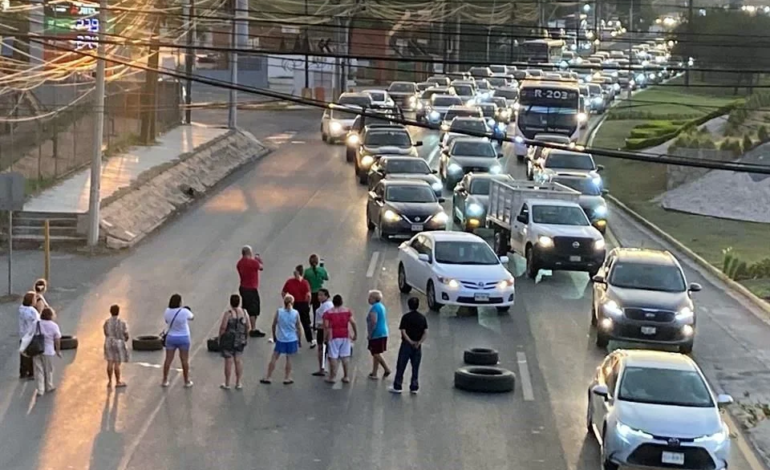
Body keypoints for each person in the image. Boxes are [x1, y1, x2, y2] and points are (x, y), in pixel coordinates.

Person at [390, 297, 428, 395]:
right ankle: (414, 386)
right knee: (415, 367)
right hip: (417, 346)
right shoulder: (422, 318)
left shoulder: (406, 317)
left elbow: (403, 331)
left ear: (409, 305)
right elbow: (425, 332)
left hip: (407, 345)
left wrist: (410, 341)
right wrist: (419, 342)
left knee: (401, 365)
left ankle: (398, 385)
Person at [261, 294, 301, 385]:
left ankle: (268, 376)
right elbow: (298, 327)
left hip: (281, 338)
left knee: (274, 357)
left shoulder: (279, 312)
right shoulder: (295, 313)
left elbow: (274, 324)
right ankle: (287, 377)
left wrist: (274, 336)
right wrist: (299, 339)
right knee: (289, 358)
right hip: (291, 339)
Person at [218, 294, 251, 390]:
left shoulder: (228, 314)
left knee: (228, 361)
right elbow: (248, 326)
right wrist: (245, 336)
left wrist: (220, 338)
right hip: (240, 339)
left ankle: (227, 383)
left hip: (229, 340)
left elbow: (223, 327)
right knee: (238, 360)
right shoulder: (244, 312)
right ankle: (238, 382)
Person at [162, 294, 195, 388]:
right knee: (184, 360)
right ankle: (186, 381)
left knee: (168, 359)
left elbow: (167, 321)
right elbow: (192, 317)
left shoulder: (167, 311)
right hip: (184, 337)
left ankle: (165, 380)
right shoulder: (184, 311)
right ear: (179, 302)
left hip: (171, 337)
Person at [323, 294, 357, 384]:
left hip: (333, 335)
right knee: (345, 356)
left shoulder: (328, 313)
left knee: (333, 356)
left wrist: (325, 338)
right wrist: (355, 334)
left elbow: (326, 326)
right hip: (345, 335)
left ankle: (332, 377)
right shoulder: (347, 311)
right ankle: (346, 376)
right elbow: (353, 322)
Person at [281, 265, 314, 347]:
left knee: (294, 323)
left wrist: (286, 301)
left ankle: (295, 340)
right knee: (305, 323)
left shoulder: (290, 282)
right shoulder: (304, 282)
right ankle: (310, 340)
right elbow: (309, 295)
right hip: (301, 304)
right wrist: (308, 304)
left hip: (295, 304)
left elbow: (283, 292)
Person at [237, 245, 266, 337]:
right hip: (251, 288)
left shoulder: (239, 263)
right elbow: (261, 267)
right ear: (249, 253)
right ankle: (253, 329)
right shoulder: (253, 262)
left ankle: (244, 326)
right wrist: (258, 259)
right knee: (254, 309)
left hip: (243, 287)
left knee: (245, 307)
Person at [33, 307, 62, 397]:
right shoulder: (53, 326)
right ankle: (49, 386)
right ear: (51, 316)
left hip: (36, 350)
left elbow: (31, 335)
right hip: (48, 350)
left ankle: (40, 389)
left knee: (39, 370)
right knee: (48, 369)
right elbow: (57, 339)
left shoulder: (36, 324)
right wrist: (58, 350)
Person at [103, 304, 130, 388]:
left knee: (110, 362)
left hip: (109, 341)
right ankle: (118, 381)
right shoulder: (122, 322)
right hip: (118, 342)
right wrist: (125, 339)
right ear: (118, 312)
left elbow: (105, 332)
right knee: (117, 363)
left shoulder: (107, 322)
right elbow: (126, 334)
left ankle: (110, 381)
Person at [366, 290, 391, 379]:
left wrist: (370, 334)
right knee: (376, 352)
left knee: (375, 352)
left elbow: (374, 321)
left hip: (377, 333)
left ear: (374, 299)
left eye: (370, 298)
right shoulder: (381, 306)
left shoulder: (374, 308)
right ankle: (374, 372)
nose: (368, 299)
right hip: (383, 332)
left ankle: (386, 368)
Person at [18, 291, 40, 380]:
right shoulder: (32, 311)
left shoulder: (21, 309)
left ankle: (23, 372)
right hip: (31, 335)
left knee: (23, 354)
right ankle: (31, 373)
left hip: (22, 335)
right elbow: (36, 322)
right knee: (31, 355)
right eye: (34, 299)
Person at [312, 288, 333, 377]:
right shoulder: (326, 305)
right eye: (318, 295)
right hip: (323, 328)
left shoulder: (326, 306)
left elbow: (326, 320)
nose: (319, 297)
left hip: (323, 329)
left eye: (321, 295)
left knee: (321, 349)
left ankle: (322, 368)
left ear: (326, 296)